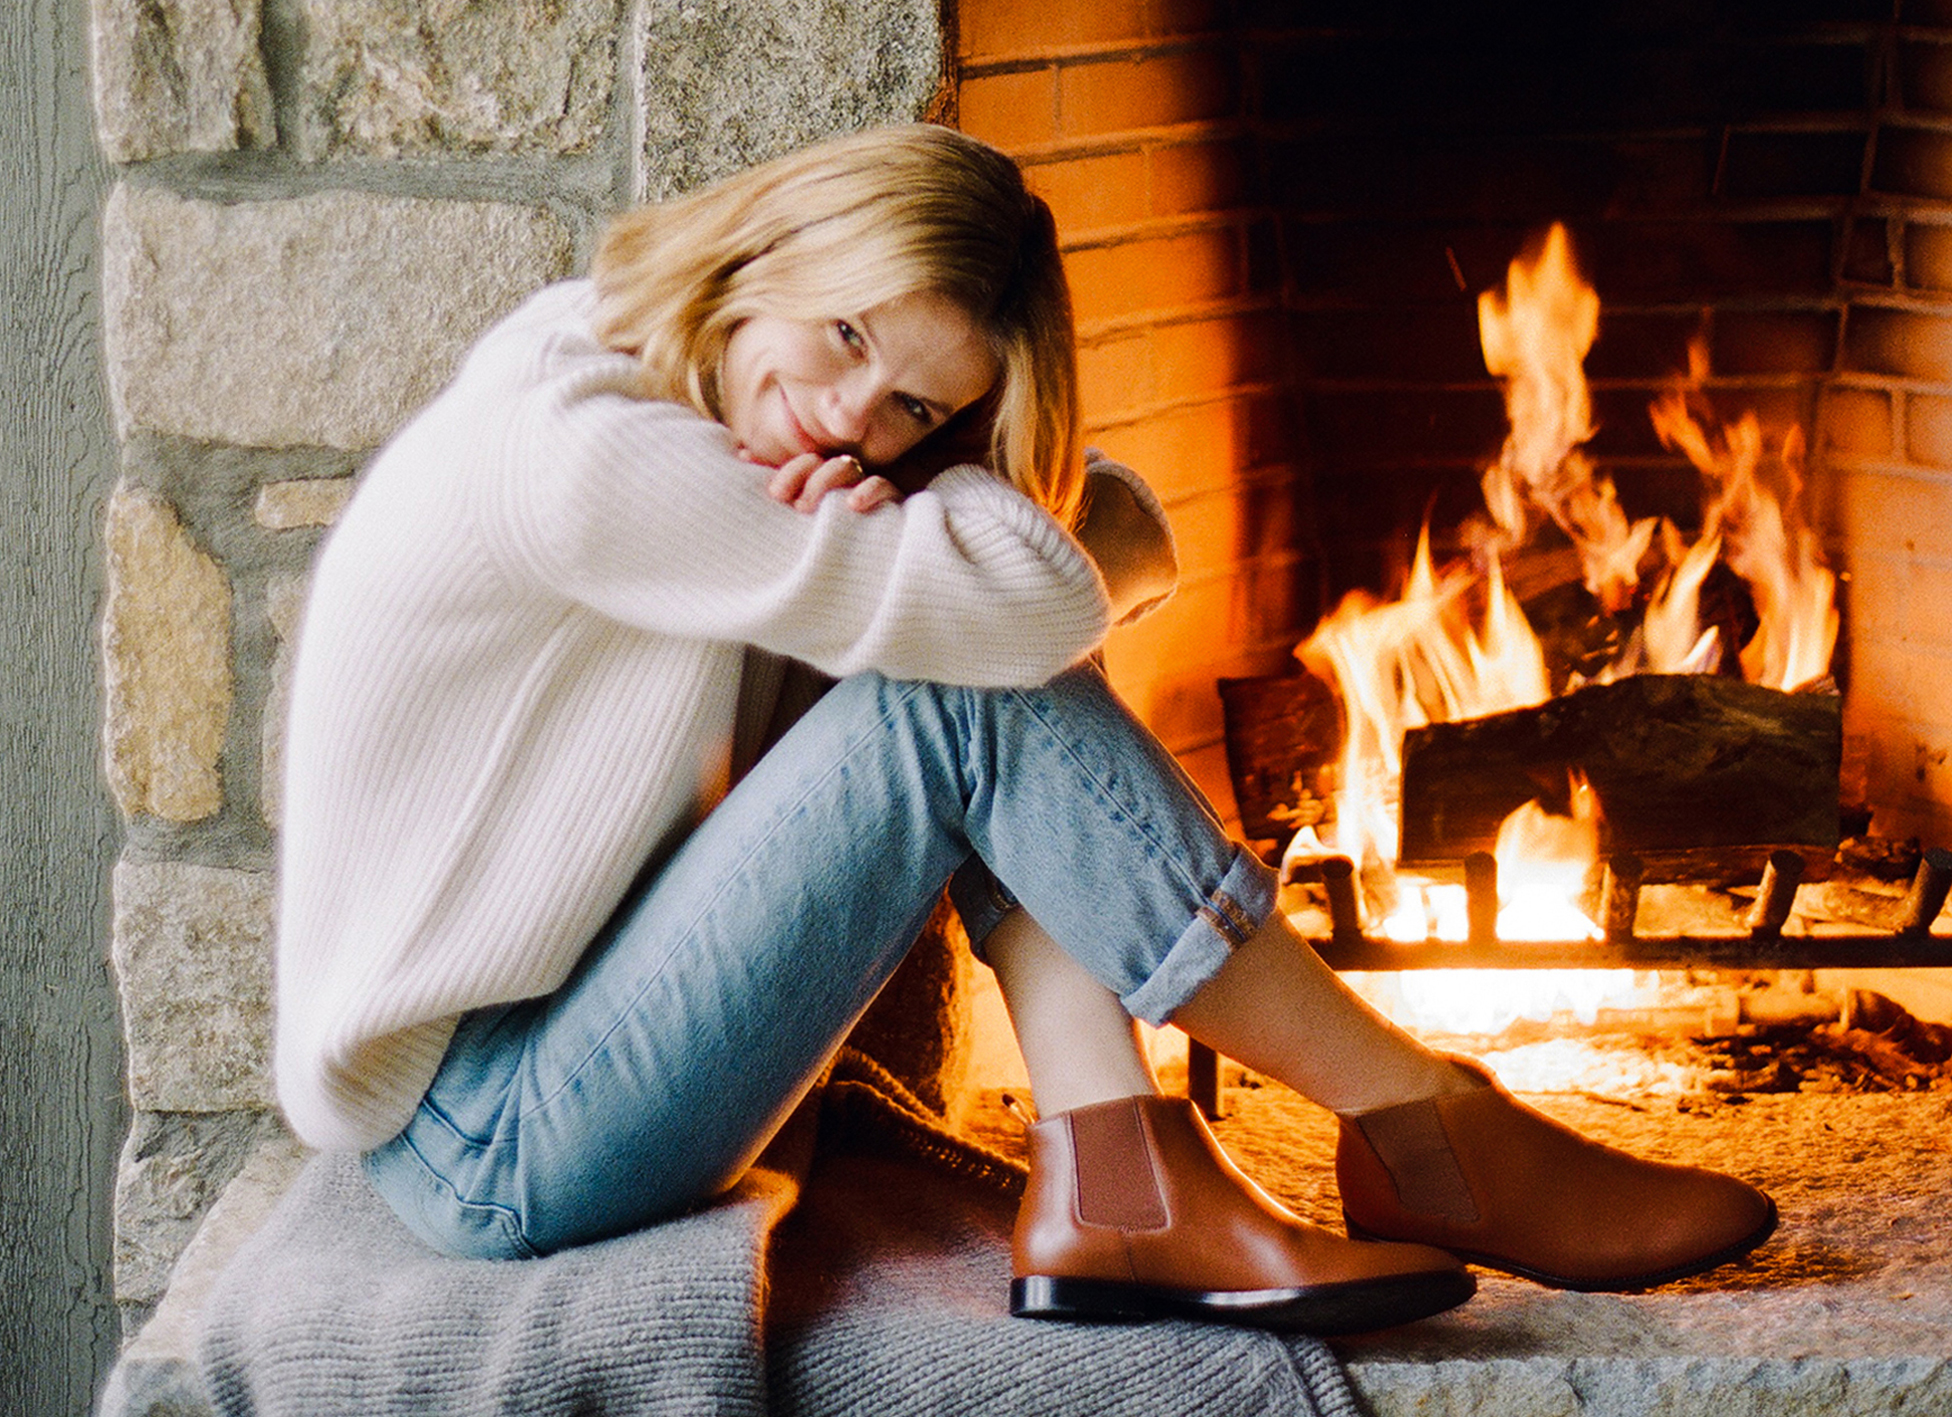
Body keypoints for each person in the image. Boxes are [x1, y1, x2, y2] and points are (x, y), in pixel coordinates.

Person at [273, 124, 1775, 1333]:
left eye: (918, 410)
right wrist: (969, 524)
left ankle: (1131, 1180)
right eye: (846, 328)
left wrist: (955, 508)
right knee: (953, 683)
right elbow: (1064, 579)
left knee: (964, 662)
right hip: (492, 1144)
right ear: (770, 247)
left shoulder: (709, 403)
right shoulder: (589, 450)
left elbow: (1103, 534)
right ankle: (1413, 1118)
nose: (850, 416)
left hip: (561, 1053)